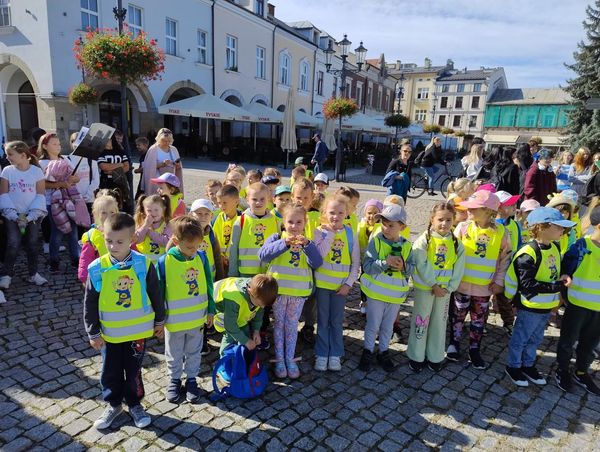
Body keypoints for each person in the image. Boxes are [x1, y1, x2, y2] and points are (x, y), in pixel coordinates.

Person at [83, 213, 165, 430]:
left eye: (119, 241)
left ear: (131, 240)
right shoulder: (97, 268)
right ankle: (114, 404)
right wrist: (93, 332)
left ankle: (135, 404)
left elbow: (156, 294)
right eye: (109, 241)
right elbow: (90, 302)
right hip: (110, 335)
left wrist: (160, 320)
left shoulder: (142, 264)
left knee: (134, 370)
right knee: (109, 371)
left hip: (137, 334)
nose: (113, 246)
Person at [504, 207, 573, 387]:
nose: (562, 231)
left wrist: (563, 276)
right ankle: (513, 366)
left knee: (535, 338)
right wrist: (557, 285)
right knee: (521, 338)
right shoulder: (528, 253)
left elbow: (554, 271)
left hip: (545, 306)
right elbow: (528, 285)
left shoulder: (554, 247)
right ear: (543, 227)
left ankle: (528, 364)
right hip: (530, 306)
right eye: (559, 227)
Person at [448, 190, 512, 369]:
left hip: (485, 288)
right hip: (462, 284)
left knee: (478, 319)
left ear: (488, 211)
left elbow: (505, 259)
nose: (469, 210)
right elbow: (452, 255)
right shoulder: (463, 228)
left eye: (474, 208)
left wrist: (499, 281)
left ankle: (474, 349)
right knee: (457, 316)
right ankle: (454, 343)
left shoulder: (501, 233)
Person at [259, 205, 322, 378]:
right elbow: (263, 255)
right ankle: (279, 359)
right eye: (290, 222)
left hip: (298, 291)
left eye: (298, 222)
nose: (294, 226)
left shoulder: (308, 242)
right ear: (284, 222)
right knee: (279, 324)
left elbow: (317, 263)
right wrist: (283, 243)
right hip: (278, 292)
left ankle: (289, 358)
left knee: (292, 325)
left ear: (305, 223)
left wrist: (308, 246)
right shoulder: (277, 237)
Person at [157, 215, 215, 403]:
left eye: (197, 246)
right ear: (175, 241)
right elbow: (158, 292)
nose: (194, 251)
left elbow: (208, 284)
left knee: (194, 351)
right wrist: (158, 319)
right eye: (190, 247)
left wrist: (211, 310)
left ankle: (191, 379)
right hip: (173, 321)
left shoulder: (202, 257)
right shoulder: (164, 262)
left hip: (197, 319)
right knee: (174, 352)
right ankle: (174, 380)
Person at [408, 202, 466, 372]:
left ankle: (435, 356)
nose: (444, 224)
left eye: (448, 220)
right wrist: (433, 284)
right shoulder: (423, 240)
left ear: (453, 221)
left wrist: (450, 287)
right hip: (425, 289)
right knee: (421, 321)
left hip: (444, 292)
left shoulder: (456, 244)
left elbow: (459, 267)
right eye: (440, 219)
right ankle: (416, 356)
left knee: (439, 323)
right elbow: (421, 263)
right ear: (432, 220)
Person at [358, 204, 414, 372]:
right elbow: (367, 266)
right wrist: (384, 263)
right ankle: (367, 351)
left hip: (394, 294)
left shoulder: (407, 246)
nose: (386, 228)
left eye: (391, 225)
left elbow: (411, 270)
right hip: (376, 292)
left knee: (388, 326)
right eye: (383, 223)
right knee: (373, 324)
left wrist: (403, 266)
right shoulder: (376, 242)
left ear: (402, 227)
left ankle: (383, 352)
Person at [228, 182, 279, 350]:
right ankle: (243, 336)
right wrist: (233, 273)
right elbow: (233, 248)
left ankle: (260, 333)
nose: (258, 202)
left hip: (265, 274)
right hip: (245, 273)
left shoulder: (274, 221)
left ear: (269, 199)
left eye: (262, 199)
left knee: (261, 306)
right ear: (247, 200)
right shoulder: (240, 221)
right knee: (244, 306)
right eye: (254, 199)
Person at [555, 205, 600, 395]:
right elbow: (565, 268)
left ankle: (581, 371)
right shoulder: (582, 246)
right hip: (578, 304)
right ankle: (562, 370)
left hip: (598, 309)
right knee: (568, 340)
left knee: (590, 343)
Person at [312, 195, 360, 371]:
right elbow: (319, 257)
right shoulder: (318, 232)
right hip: (323, 286)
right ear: (324, 213)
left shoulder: (350, 234)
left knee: (337, 321)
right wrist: (330, 235)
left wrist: (348, 283)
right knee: (323, 321)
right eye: (332, 212)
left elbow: (355, 263)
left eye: (340, 212)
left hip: (341, 288)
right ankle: (322, 353)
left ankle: (336, 354)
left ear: (347, 213)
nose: (336, 216)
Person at [0, 140, 48, 291]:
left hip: (32, 215)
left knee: (32, 244)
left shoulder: (36, 171)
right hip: (12, 215)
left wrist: (30, 216)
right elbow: (4, 193)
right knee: (13, 243)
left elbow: (40, 194)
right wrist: (13, 215)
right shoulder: (7, 171)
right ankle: (6, 275)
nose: (7, 157)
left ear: (22, 155)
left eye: (10, 154)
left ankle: (33, 274)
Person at [37, 132, 82, 272]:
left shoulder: (65, 159)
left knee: (73, 231)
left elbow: (77, 178)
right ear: (45, 146)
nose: (58, 146)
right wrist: (62, 184)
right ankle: (54, 261)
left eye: (59, 144)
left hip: (69, 199)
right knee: (57, 232)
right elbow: (43, 184)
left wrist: (72, 180)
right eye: (54, 144)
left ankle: (76, 259)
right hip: (53, 202)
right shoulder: (41, 163)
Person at [213, 275, 278, 355]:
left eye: (264, 305)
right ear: (250, 293)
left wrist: (256, 331)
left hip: (236, 310)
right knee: (229, 336)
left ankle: (242, 357)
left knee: (245, 332)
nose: (262, 307)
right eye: (259, 304)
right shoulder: (233, 299)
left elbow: (258, 314)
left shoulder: (260, 294)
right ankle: (225, 361)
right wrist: (245, 341)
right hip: (220, 309)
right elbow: (230, 326)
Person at [78, 194, 120, 284]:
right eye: (104, 213)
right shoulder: (92, 237)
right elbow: (86, 259)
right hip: (100, 280)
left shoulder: (122, 232)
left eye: (112, 212)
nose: (108, 216)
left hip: (121, 278)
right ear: (96, 215)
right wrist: (85, 278)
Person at [68, 132, 100, 233]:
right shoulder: (68, 159)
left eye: (79, 141)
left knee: (91, 226)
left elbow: (95, 179)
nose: (76, 143)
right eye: (73, 141)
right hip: (75, 199)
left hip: (89, 198)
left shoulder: (91, 159)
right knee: (77, 226)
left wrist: (88, 194)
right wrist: (77, 196)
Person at [142, 128, 184, 196]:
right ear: (159, 139)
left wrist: (177, 164)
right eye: (164, 140)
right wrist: (162, 164)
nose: (167, 143)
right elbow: (149, 167)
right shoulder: (153, 149)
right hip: (157, 180)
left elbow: (178, 165)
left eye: (169, 141)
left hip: (170, 180)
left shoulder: (173, 149)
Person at [98, 133, 132, 213]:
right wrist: (119, 164)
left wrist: (112, 172)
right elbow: (103, 166)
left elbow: (127, 166)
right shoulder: (101, 152)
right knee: (107, 205)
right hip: (106, 183)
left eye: (108, 139)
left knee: (121, 203)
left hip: (120, 182)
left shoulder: (120, 151)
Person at [133, 194, 172, 262]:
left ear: (163, 209)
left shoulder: (167, 224)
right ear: (144, 211)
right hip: (144, 261)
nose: (153, 213)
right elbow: (137, 240)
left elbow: (166, 241)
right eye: (149, 210)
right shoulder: (142, 223)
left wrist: (149, 232)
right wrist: (145, 226)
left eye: (156, 210)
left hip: (161, 261)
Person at [212, 184, 241, 272]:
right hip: (220, 261)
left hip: (236, 262)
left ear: (236, 202)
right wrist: (220, 256)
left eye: (224, 203)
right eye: (219, 203)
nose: (221, 206)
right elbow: (215, 239)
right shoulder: (217, 218)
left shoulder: (243, 219)